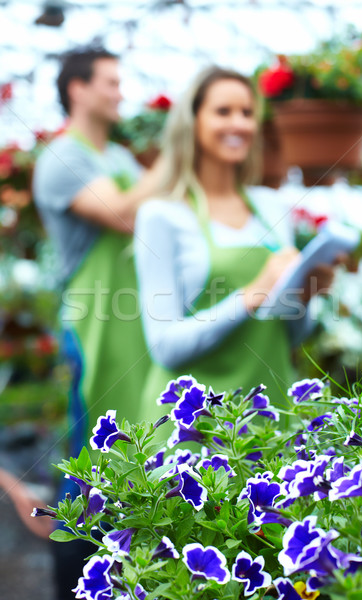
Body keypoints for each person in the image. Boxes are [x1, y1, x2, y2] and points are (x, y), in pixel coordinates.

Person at [134, 66, 336, 425]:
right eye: (223, 112)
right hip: (193, 432)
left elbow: (288, 336)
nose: (240, 124)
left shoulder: (271, 208)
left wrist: (303, 297)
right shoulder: (162, 215)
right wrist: (250, 294)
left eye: (247, 112)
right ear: (192, 122)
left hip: (267, 421)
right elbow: (165, 347)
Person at [33, 47, 161, 599]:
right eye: (110, 82)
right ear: (77, 89)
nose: (119, 91)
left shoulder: (123, 160)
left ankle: (127, 579)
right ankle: (76, 586)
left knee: (132, 453)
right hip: (92, 323)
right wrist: (179, 160)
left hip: (131, 323)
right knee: (89, 464)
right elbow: (123, 213)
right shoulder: (64, 157)